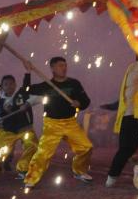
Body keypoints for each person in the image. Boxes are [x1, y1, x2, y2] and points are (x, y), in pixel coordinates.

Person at [22, 56, 94, 188]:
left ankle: (79, 171)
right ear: (52, 68)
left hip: (71, 123)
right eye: (60, 65)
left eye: (65, 65)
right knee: (43, 154)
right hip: (52, 125)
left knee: (86, 147)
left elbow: (86, 101)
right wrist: (28, 72)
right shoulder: (46, 85)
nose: (64, 68)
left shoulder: (74, 84)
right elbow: (26, 90)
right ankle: (31, 178)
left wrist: (79, 103)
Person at [0, 74, 39, 181]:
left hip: (25, 128)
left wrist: (27, 104)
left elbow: (37, 98)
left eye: (11, 83)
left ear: (15, 85)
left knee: (32, 146)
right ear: (2, 87)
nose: (9, 86)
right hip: (8, 131)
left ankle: (23, 169)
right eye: (6, 84)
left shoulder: (22, 94)